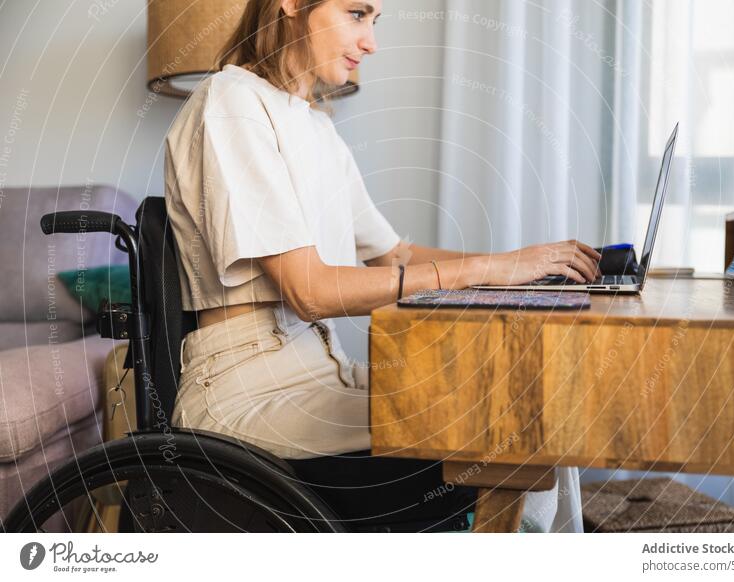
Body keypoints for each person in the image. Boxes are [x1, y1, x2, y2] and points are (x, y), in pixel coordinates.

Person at [164, 0, 601, 532]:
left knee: (534, 404)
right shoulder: (230, 103)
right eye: (356, 13)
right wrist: (490, 268)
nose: (371, 42)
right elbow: (309, 292)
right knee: (510, 430)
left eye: (374, 20)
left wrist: (522, 265)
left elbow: (394, 255)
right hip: (249, 395)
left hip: (321, 371)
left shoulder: (317, 128)